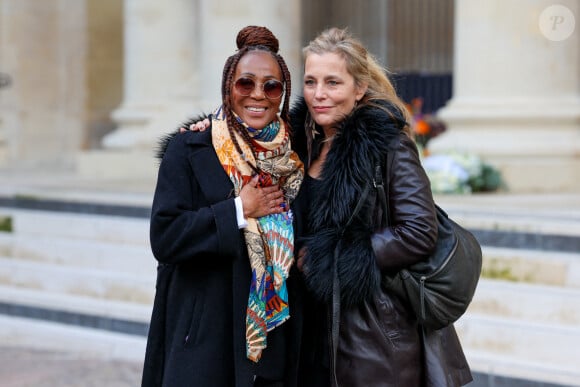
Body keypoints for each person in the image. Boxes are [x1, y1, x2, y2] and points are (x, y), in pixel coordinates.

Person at [290, 28, 473, 386]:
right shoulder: (299, 143)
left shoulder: (387, 145)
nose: (319, 94)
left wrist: (332, 260)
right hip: (307, 326)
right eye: (310, 82)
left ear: (359, 89)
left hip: (369, 333)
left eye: (333, 82)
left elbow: (419, 230)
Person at [142, 26, 305, 387]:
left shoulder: (295, 159)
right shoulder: (190, 149)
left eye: (271, 86)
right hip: (204, 344)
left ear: (282, 94)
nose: (258, 95)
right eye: (246, 83)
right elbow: (165, 236)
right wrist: (238, 211)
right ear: (228, 87)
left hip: (271, 344)